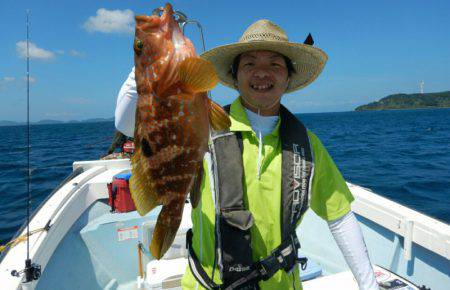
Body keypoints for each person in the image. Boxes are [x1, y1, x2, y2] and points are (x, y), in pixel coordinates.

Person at [115, 19, 379, 290]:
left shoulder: (308, 146)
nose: (261, 73)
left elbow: (340, 217)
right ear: (235, 76)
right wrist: (153, 58)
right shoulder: (202, 124)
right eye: (249, 64)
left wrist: (369, 286)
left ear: (288, 78)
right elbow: (125, 122)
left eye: (274, 65)